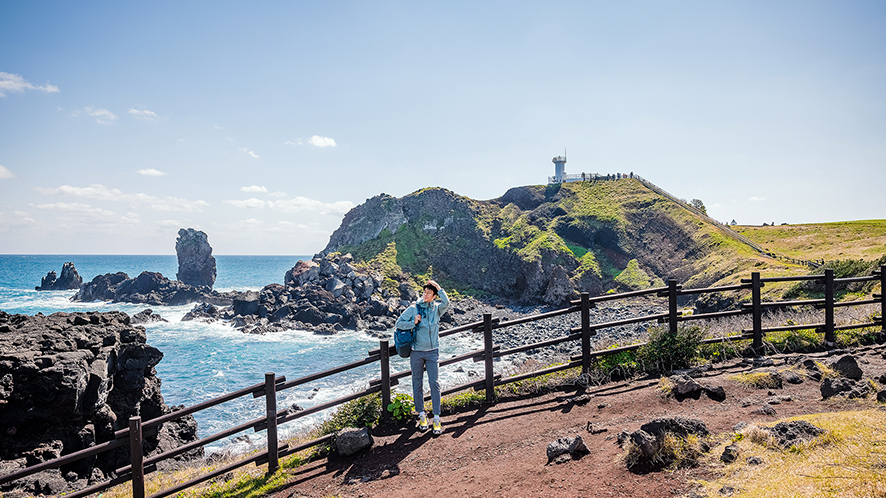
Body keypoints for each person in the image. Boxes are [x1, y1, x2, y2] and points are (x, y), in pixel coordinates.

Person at [395, 279, 449, 436]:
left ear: (434, 296)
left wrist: (439, 287)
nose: (426, 294)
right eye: (425, 292)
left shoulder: (437, 309)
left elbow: (447, 302)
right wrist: (413, 322)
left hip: (433, 352)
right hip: (417, 352)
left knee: (435, 384)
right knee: (417, 384)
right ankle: (422, 415)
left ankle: (437, 418)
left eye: (429, 293)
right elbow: (398, 324)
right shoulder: (413, 309)